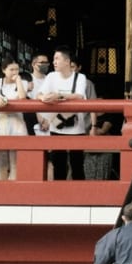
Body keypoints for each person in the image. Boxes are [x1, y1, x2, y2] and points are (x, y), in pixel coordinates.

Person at [40, 48, 95, 180]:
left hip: (76, 127)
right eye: (54, 59)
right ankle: (59, 193)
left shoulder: (80, 77)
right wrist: (43, 98)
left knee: (77, 165)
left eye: (57, 59)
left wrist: (59, 95)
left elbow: (79, 95)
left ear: (67, 61)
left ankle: (78, 193)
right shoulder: (51, 76)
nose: (54, 62)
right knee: (58, 164)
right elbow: (40, 93)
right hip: (57, 125)